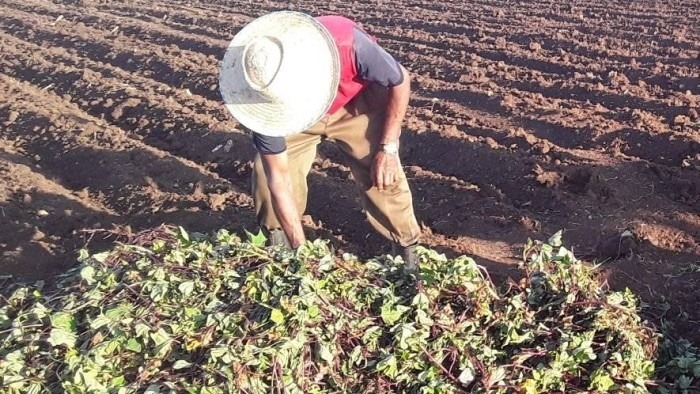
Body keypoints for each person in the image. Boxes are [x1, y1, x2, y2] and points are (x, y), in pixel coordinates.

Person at [219, 11, 421, 269]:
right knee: (264, 178)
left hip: (355, 103)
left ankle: (406, 255)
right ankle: (281, 246)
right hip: (293, 114)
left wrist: (388, 148)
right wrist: (301, 252)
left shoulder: (349, 45)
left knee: (381, 174)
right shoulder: (264, 99)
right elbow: (278, 180)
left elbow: (400, 81)